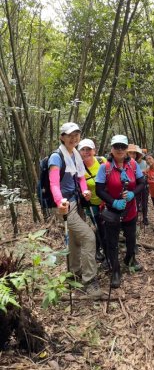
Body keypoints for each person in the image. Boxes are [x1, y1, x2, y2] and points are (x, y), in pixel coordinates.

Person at [48, 122, 102, 299]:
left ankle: (74, 272)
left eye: (76, 134)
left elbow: (80, 179)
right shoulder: (57, 157)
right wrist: (59, 201)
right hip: (65, 206)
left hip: (76, 202)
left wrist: (85, 190)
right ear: (62, 137)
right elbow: (54, 183)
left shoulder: (75, 155)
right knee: (88, 236)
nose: (74, 138)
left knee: (74, 239)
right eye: (70, 135)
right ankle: (89, 280)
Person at [96, 135, 145, 289]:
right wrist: (113, 202)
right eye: (116, 146)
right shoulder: (105, 167)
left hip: (130, 210)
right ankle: (115, 271)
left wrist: (132, 194)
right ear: (111, 148)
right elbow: (99, 189)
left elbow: (142, 183)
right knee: (112, 243)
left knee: (131, 239)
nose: (119, 149)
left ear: (126, 149)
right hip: (112, 211)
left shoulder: (133, 165)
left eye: (122, 147)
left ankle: (129, 259)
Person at [77, 139, 107, 261]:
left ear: (94, 150)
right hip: (91, 204)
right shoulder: (78, 167)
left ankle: (106, 249)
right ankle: (101, 251)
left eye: (88, 149)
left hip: (106, 201)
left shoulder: (102, 161)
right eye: (83, 150)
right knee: (99, 227)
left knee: (106, 226)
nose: (86, 152)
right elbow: (77, 185)